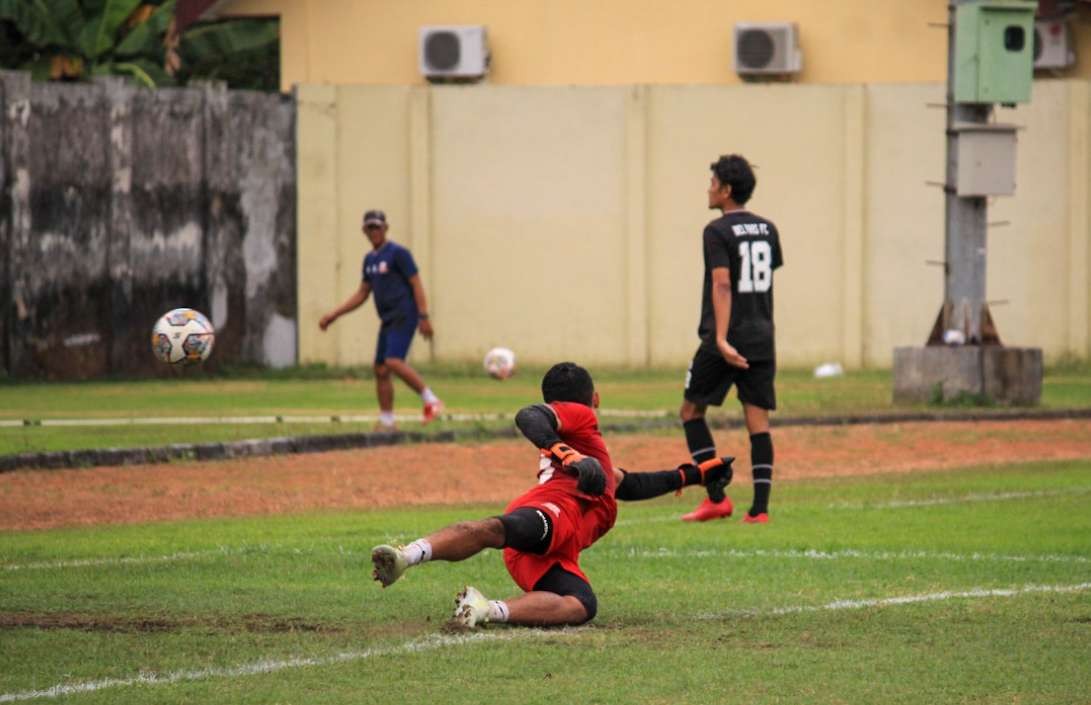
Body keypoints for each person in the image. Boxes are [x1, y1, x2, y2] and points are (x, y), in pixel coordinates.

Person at [370, 362, 732, 628]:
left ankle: (485, 609)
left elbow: (632, 483)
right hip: (552, 511)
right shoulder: (581, 417)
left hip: (549, 554)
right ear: (595, 398)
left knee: (581, 605)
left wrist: (698, 474)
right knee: (494, 530)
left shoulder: (596, 454)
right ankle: (406, 556)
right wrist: (567, 454)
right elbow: (528, 416)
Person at [680, 154, 784, 524]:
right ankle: (759, 510)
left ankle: (717, 497)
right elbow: (763, 280)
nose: (708, 188)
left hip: (724, 338)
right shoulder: (768, 229)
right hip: (761, 336)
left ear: (726, 190)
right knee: (758, 421)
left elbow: (723, 283)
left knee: (691, 411)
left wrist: (722, 339)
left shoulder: (716, 231)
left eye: (712, 182)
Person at [319, 209, 443, 430]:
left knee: (393, 361)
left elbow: (416, 283)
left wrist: (424, 315)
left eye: (377, 226)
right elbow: (362, 293)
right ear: (364, 231)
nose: (374, 231)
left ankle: (431, 401)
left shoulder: (398, 254)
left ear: (386, 228)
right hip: (387, 319)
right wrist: (334, 315)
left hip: (404, 314)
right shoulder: (370, 260)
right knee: (380, 369)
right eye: (370, 227)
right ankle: (387, 420)